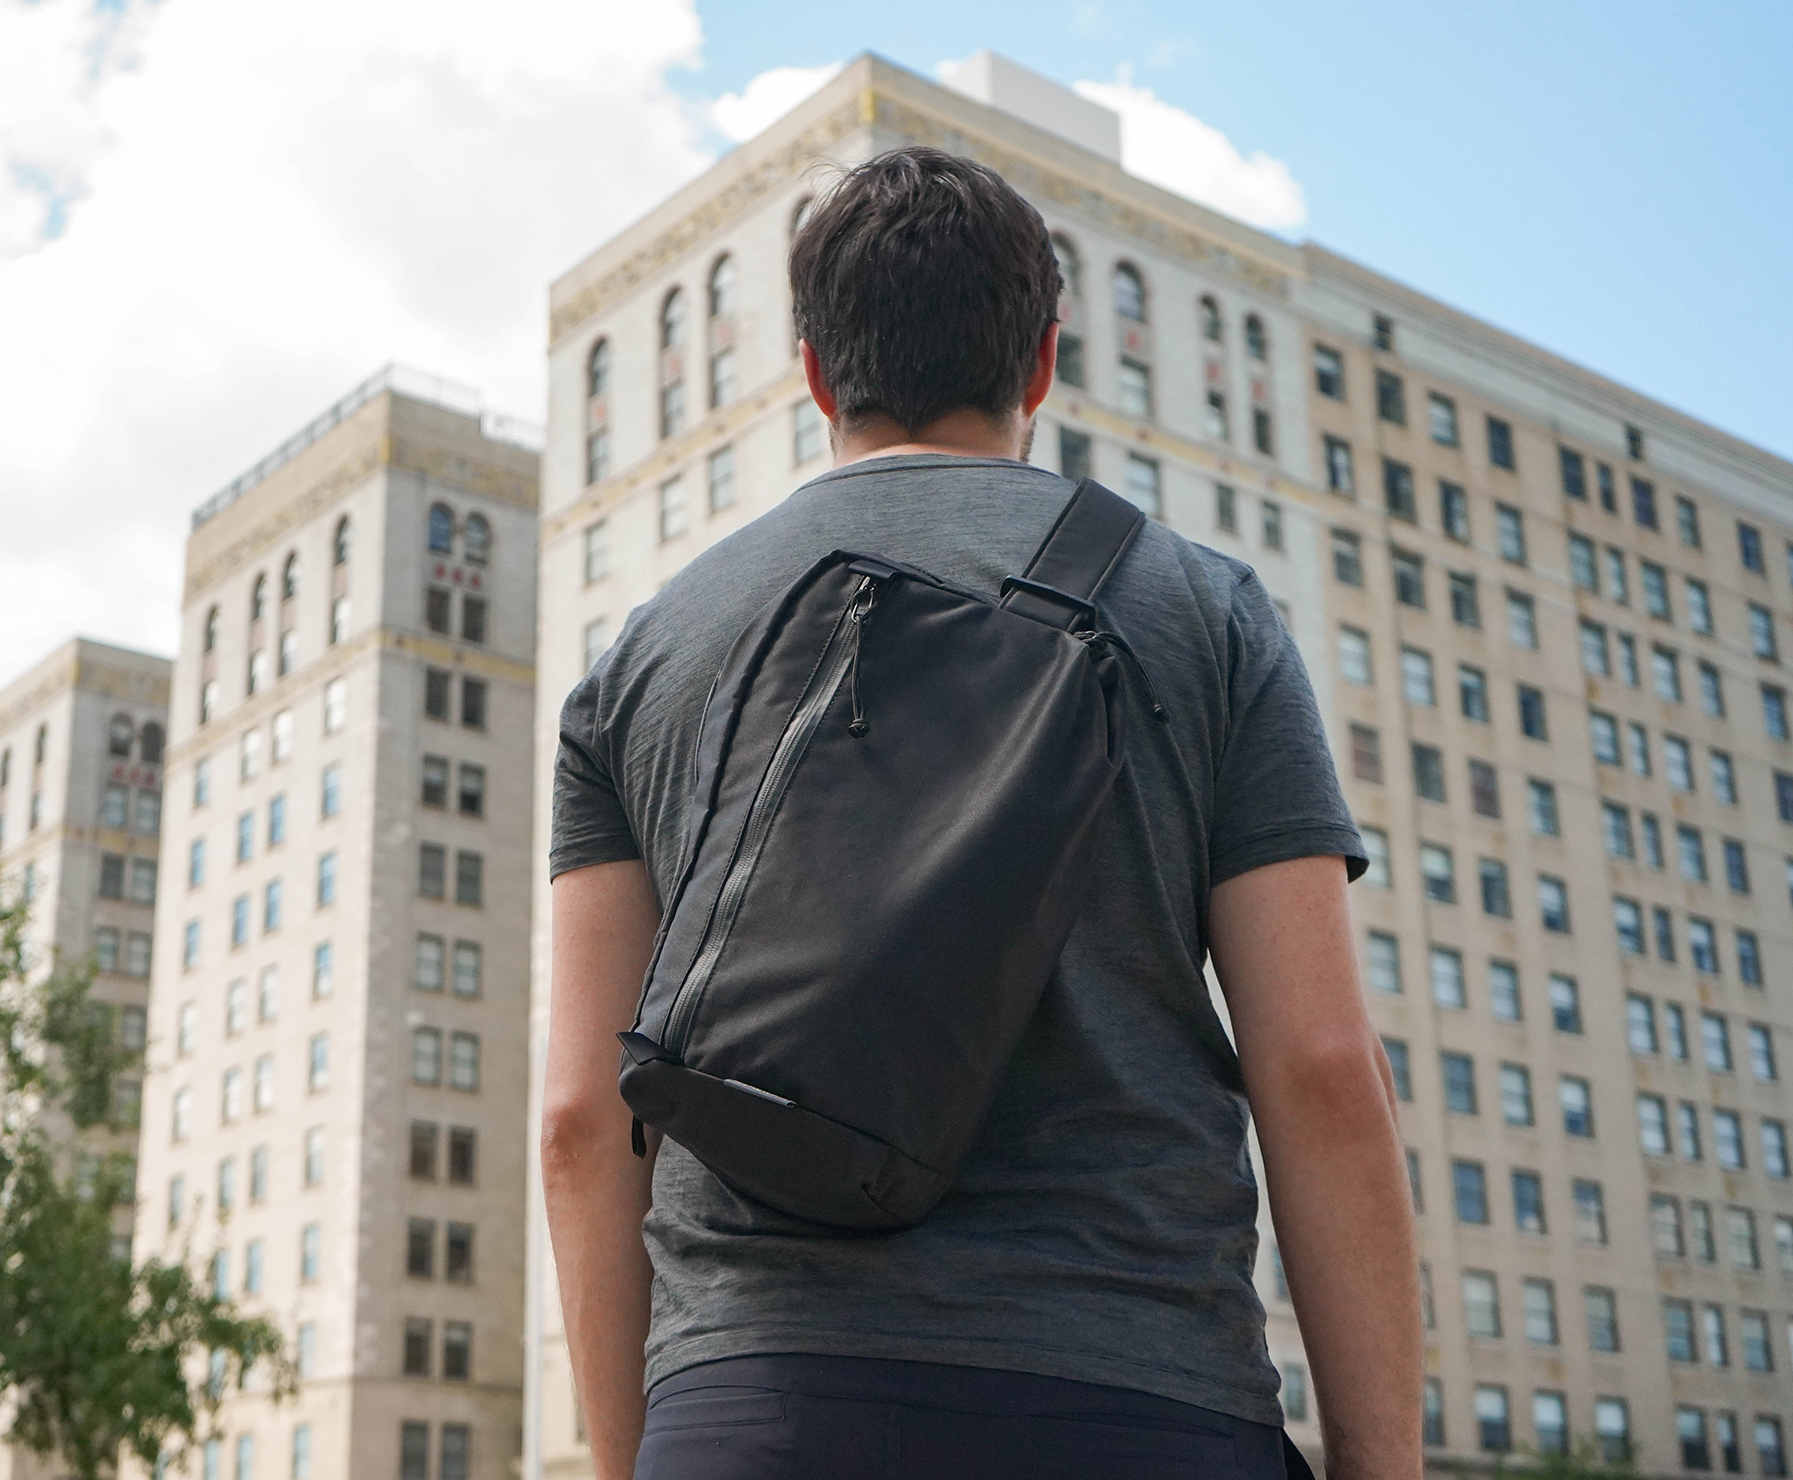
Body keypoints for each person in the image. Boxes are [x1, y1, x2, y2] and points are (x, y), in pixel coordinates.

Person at [541, 146, 1421, 1480]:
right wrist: (1380, 1462)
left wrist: (643, 1455)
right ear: (1043, 363)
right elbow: (1320, 1070)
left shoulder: (642, 663)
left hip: (758, 1407)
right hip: (1135, 1401)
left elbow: (577, 1123)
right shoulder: (1208, 614)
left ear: (818, 376)